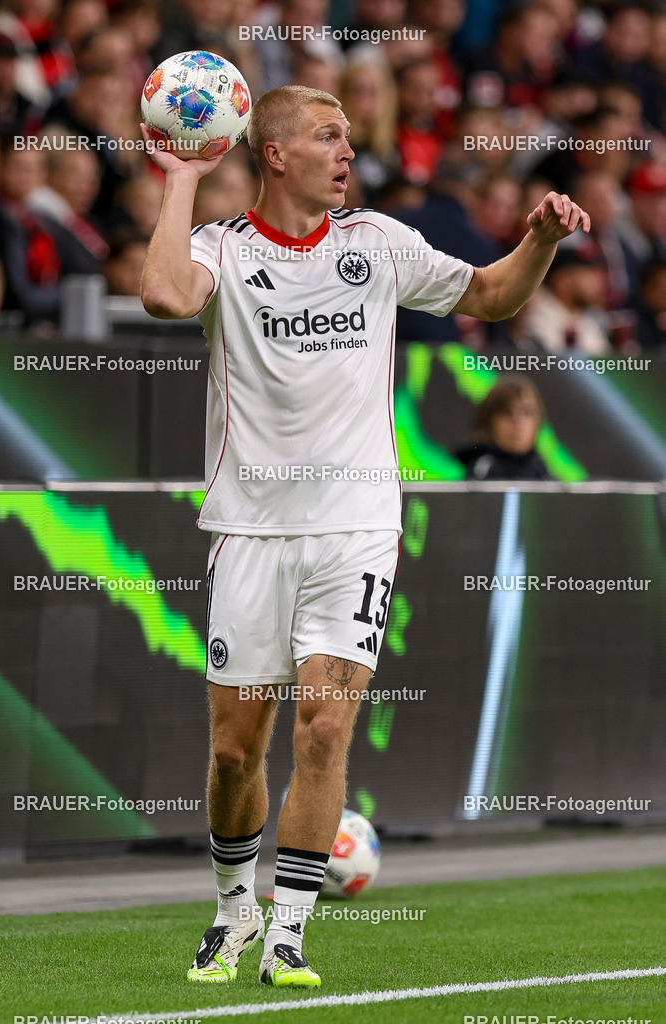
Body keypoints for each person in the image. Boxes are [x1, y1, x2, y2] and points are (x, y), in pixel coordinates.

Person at [140, 84, 591, 989]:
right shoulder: (220, 251)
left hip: (356, 527)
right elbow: (160, 295)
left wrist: (540, 237)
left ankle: (290, 934)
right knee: (236, 748)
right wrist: (183, 178)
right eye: (327, 136)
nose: (349, 150)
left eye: (348, 136)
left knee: (322, 729)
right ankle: (233, 911)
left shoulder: (378, 244)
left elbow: (495, 296)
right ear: (272, 154)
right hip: (250, 529)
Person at [455, 374, 551, 481]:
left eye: (527, 412)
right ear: (489, 421)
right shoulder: (479, 472)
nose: (518, 422)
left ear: (538, 421)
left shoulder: (542, 472)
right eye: (508, 413)